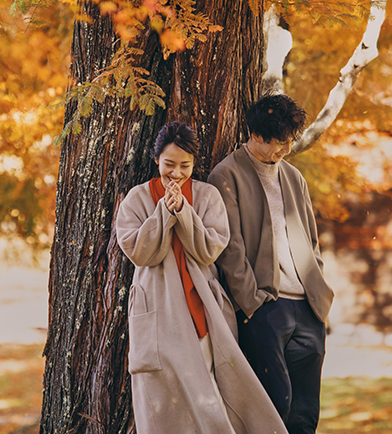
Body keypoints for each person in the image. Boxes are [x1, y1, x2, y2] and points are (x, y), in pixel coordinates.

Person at [116, 121, 288, 434]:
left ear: (194, 163)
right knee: (161, 402)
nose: (177, 173)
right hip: (158, 314)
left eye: (185, 165)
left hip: (201, 311)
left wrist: (182, 211)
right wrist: (163, 214)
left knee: (209, 396)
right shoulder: (136, 199)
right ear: (157, 160)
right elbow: (141, 253)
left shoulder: (207, 196)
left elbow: (209, 250)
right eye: (169, 164)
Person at [208, 94, 335, 434]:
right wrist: (251, 302)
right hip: (265, 308)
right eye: (281, 141)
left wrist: (318, 288)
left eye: (291, 140)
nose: (287, 148)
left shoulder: (294, 178)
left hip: (308, 308)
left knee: (306, 415)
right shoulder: (227, 175)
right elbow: (229, 247)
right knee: (275, 406)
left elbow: (311, 238)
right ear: (258, 135)